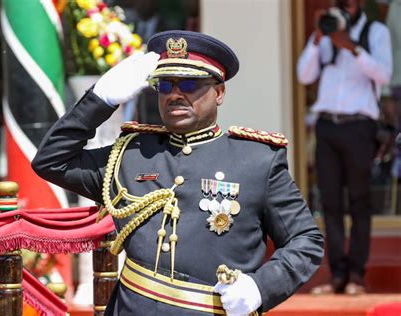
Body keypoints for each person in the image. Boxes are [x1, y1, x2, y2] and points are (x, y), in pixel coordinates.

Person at [33, 30, 324, 315]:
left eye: (188, 85)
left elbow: (306, 240)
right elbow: (51, 161)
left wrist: (260, 287)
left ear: (219, 92)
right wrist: (100, 100)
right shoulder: (131, 154)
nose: (174, 95)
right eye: (165, 85)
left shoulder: (256, 160)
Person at [297, 0, 393, 295]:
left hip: (359, 126)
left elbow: (384, 75)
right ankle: (337, 275)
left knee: (359, 201)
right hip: (327, 125)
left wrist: (352, 47)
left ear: (360, 5)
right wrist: (317, 39)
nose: (344, 7)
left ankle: (356, 275)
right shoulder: (325, 36)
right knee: (330, 203)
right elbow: (304, 75)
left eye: (348, 4)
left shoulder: (375, 32)